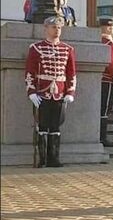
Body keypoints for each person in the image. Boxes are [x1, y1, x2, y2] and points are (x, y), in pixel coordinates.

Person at [25, 16, 76, 167]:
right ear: (45, 28)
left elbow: (71, 73)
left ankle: (54, 158)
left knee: (56, 126)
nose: (57, 30)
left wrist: (70, 92)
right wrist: (31, 91)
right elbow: (30, 71)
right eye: (54, 27)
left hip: (59, 93)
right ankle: (42, 159)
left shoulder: (67, 49)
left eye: (59, 27)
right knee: (42, 125)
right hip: (42, 92)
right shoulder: (36, 48)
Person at [99, 17, 113, 147]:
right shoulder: (111, 44)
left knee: (100, 109)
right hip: (108, 80)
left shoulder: (97, 41)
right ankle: (102, 137)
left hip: (99, 80)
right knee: (104, 111)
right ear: (108, 28)